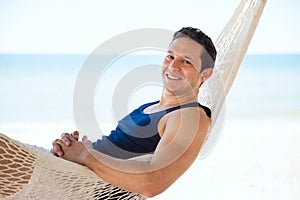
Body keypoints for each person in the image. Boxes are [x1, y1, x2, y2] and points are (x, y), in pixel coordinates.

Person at [1, 26, 217, 199]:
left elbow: (152, 182)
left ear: (205, 74)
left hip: (85, 188)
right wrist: (74, 150)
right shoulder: (153, 107)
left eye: (186, 61)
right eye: (170, 56)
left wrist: (86, 155)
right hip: (74, 173)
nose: (173, 66)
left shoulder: (190, 117)